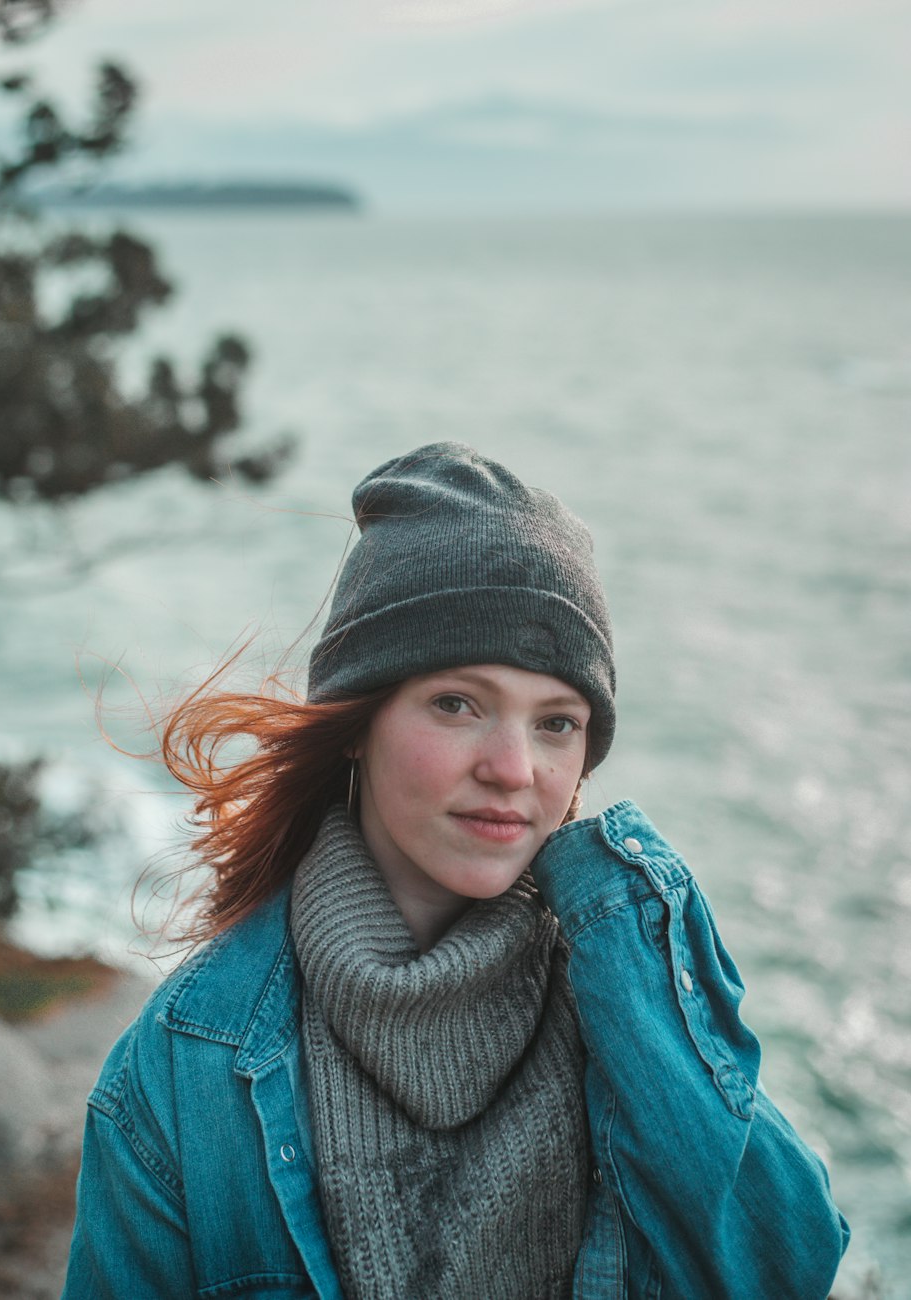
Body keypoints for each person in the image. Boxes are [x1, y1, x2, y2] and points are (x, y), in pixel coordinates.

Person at [62, 442, 849, 1299]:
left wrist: (636, 939)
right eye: (457, 704)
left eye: (557, 723)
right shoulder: (186, 1067)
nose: (514, 768)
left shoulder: (630, 1001)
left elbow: (783, 1263)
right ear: (359, 720)